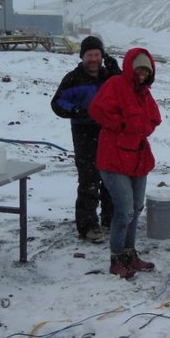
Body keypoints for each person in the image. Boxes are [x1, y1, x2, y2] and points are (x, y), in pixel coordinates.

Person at [89, 47, 161, 279]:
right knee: (125, 211)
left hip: (137, 158)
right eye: (139, 69)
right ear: (131, 68)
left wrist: (142, 129)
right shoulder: (116, 84)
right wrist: (122, 126)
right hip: (113, 158)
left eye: (146, 71)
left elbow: (154, 118)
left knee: (136, 208)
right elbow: (97, 110)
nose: (142, 74)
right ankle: (116, 257)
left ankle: (130, 254)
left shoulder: (145, 93)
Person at [50, 36, 121, 242]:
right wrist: (79, 111)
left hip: (108, 132)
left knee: (111, 178)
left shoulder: (109, 76)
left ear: (102, 56)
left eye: (97, 55)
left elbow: (126, 91)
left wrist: (117, 72)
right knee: (89, 180)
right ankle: (88, 226)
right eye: (89, 55)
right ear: (82, 57)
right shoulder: (73, 78)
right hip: (84, 134)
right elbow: (57, 103)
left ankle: (111, 218)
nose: (93, 59)